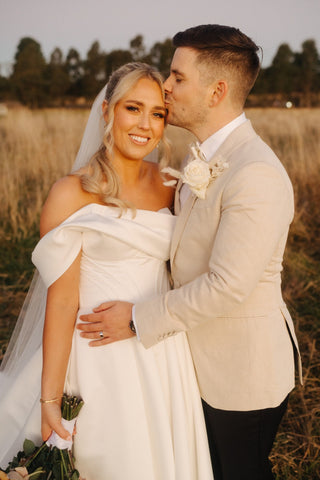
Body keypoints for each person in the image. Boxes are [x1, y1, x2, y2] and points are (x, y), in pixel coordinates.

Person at [78, 25, 303, 480]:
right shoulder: (197, 159)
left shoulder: (255, 172)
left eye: (178, 77)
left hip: (240, 374)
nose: (165, 86)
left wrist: (137, 317)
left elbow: (227, 286)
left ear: (217, 90)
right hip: (189, 361)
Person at [0, 62, 214, 480]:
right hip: (93, 353)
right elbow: (61, 302)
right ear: (107, 111)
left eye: (158, 113)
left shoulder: (174, 186)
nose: (145, 125)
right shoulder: (70, 193)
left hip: (160, 349)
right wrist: (49, 400)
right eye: (133, 108)